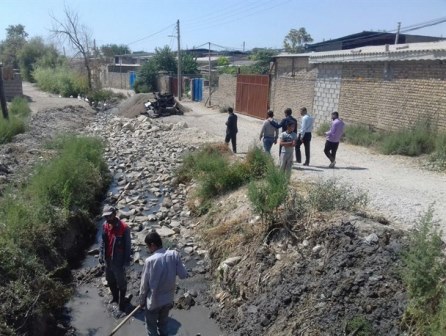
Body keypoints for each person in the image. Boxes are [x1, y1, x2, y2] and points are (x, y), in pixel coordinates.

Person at [139, 231, 188, 336]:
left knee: (151, 327)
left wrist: (142, 301)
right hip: (168, 300)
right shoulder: (174, 254)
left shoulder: (150, 261)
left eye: (148, 247)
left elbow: (144, 286)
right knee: (163, 324)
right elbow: (183, 275)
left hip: (153, 302)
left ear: (152, 245)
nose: (148, 250)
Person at [99, 206, 132, 312]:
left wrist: (126, 261)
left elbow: (128, 246)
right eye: (105, 217)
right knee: (110, 279)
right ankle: (115, 298)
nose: (107, 218)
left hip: (118, 260)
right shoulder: (105, 225)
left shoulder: (124, 228)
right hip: (108, 259)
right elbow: (102, 241)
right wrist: (101, 254)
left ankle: (121, 303)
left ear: (114, 214)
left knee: (121, 282)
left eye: (109, 216)